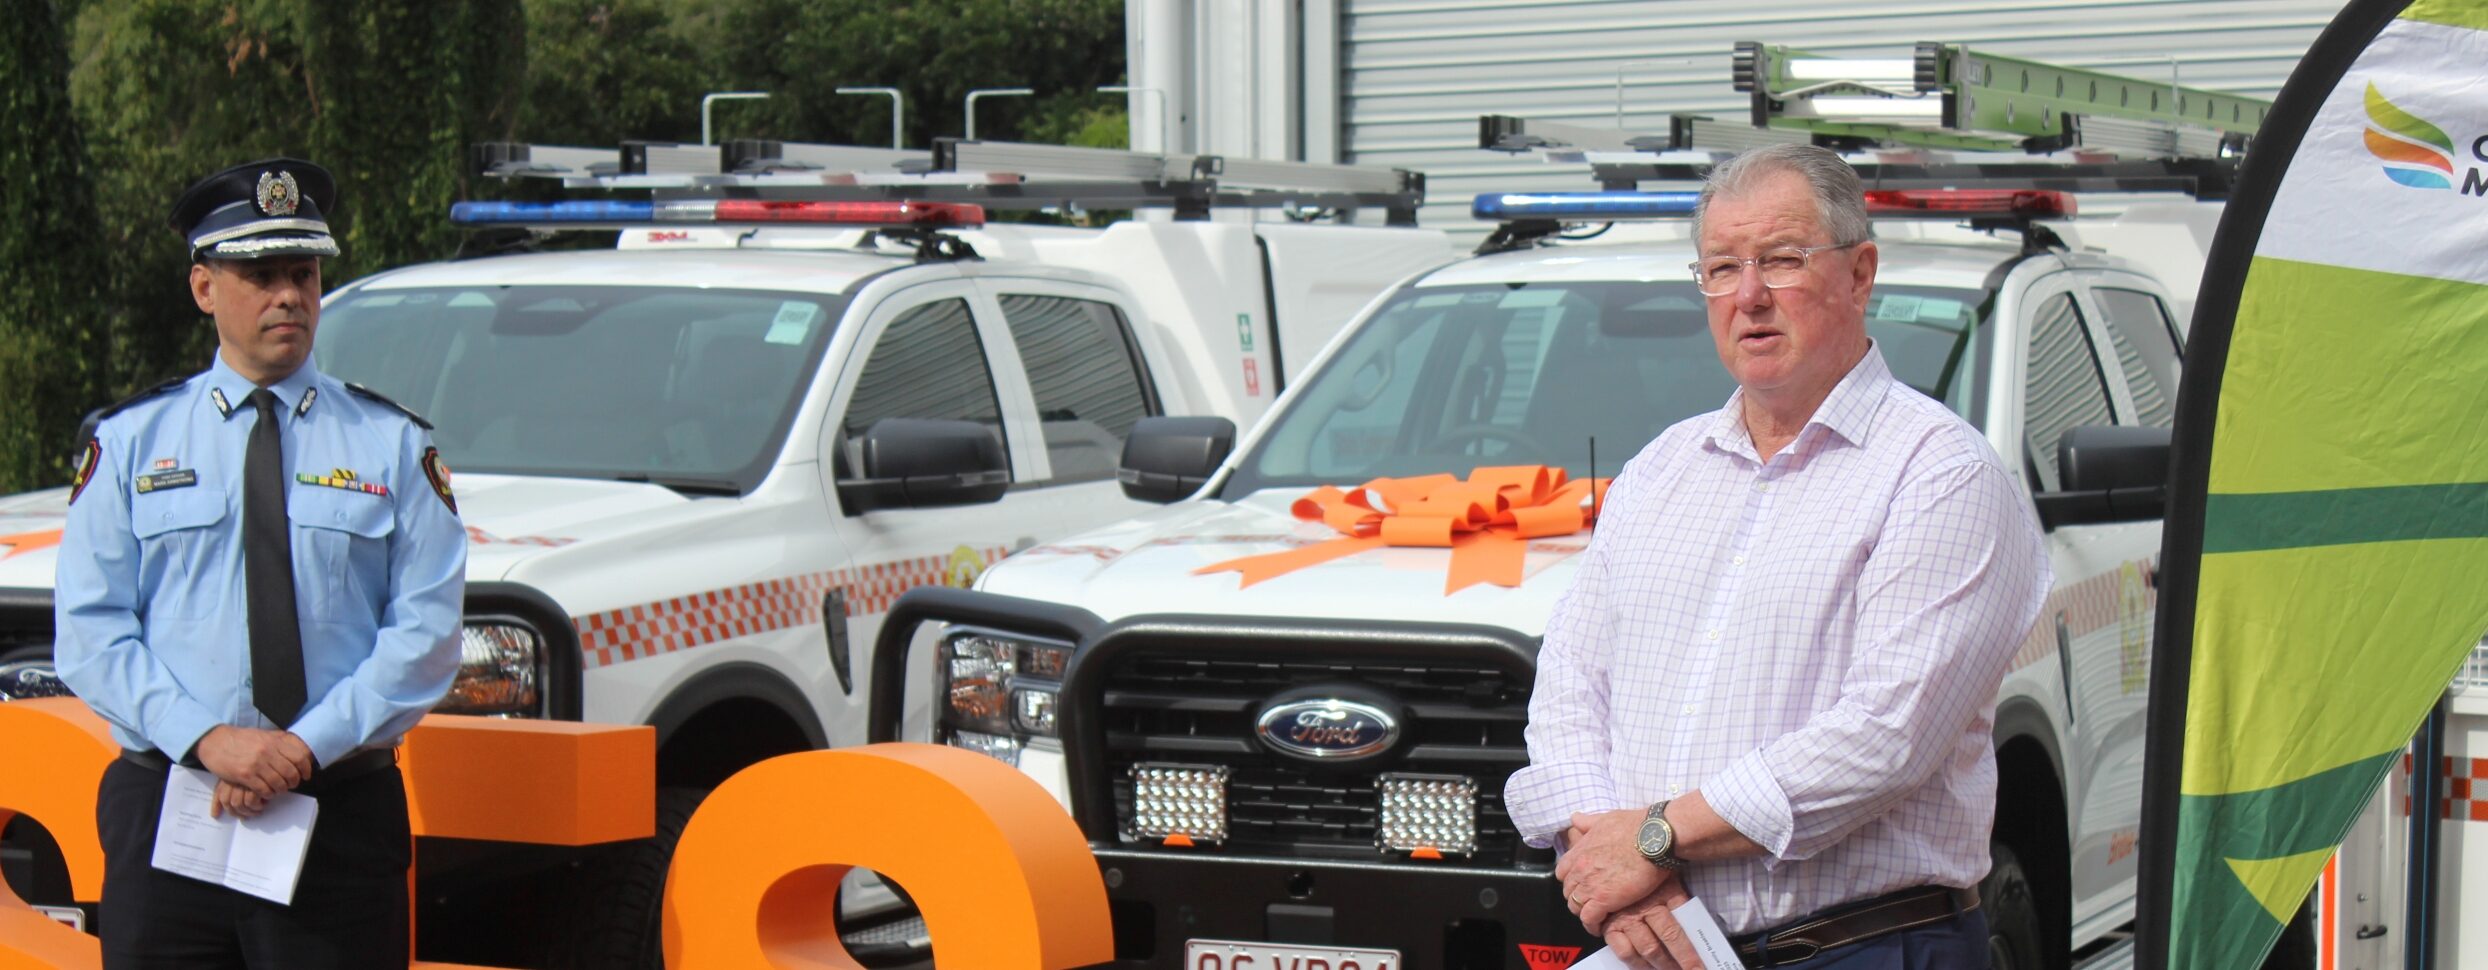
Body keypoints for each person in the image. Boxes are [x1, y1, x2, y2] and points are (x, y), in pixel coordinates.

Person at [1503, 143, 2050, 969]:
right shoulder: (1661, 469)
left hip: (1866, 949)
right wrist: (1617, 862)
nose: (1749, 295)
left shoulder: (1942, 473)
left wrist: (1654, 836)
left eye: (1782, 260)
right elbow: (1573, 684)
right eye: (1721, 268)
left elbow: (1886, 737)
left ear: (1861, 273)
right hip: (1658, 941)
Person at [53, 157, 467, 968]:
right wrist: (209, 739)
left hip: (337, 819)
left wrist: (299, 750)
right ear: (204, 288)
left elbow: (425, 632)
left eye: (303, 273)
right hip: (172, 812)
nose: (289, 296)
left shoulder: (389, 443)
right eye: (260, 274)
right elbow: (91, 630)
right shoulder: (133, 442)